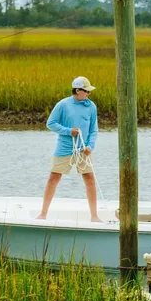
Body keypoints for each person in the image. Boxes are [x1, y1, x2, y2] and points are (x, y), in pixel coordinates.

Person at [37, 76, 101, 222]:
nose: (89, 94)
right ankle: (43, 214)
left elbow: (94, 129)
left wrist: (90, 146)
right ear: (78, 91)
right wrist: (68, 131)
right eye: (86, 91)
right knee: (53, 178)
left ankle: (94, 216)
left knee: (90, 179)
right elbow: (51, 123)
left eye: (89, 91)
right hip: (64, 147)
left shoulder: (91, 106)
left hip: (83, 149)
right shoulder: (63, 105)